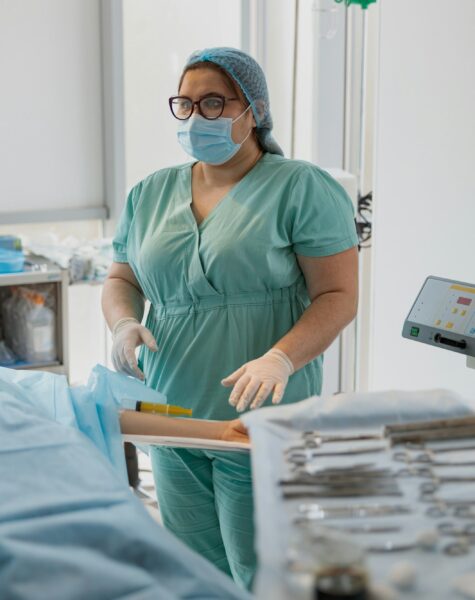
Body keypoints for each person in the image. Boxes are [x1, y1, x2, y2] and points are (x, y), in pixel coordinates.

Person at [102, 46, 358, 590]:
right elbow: (121, 280)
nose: (198, 117)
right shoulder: (149, 193)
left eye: (214, 102)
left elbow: (337, 295)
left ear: (254, 111)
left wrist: (281, 357)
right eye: (186, 104)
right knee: (194, 569)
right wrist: (123, 324)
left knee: (262, 571)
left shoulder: (299, 187)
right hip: (172, 412)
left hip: (261, 417)